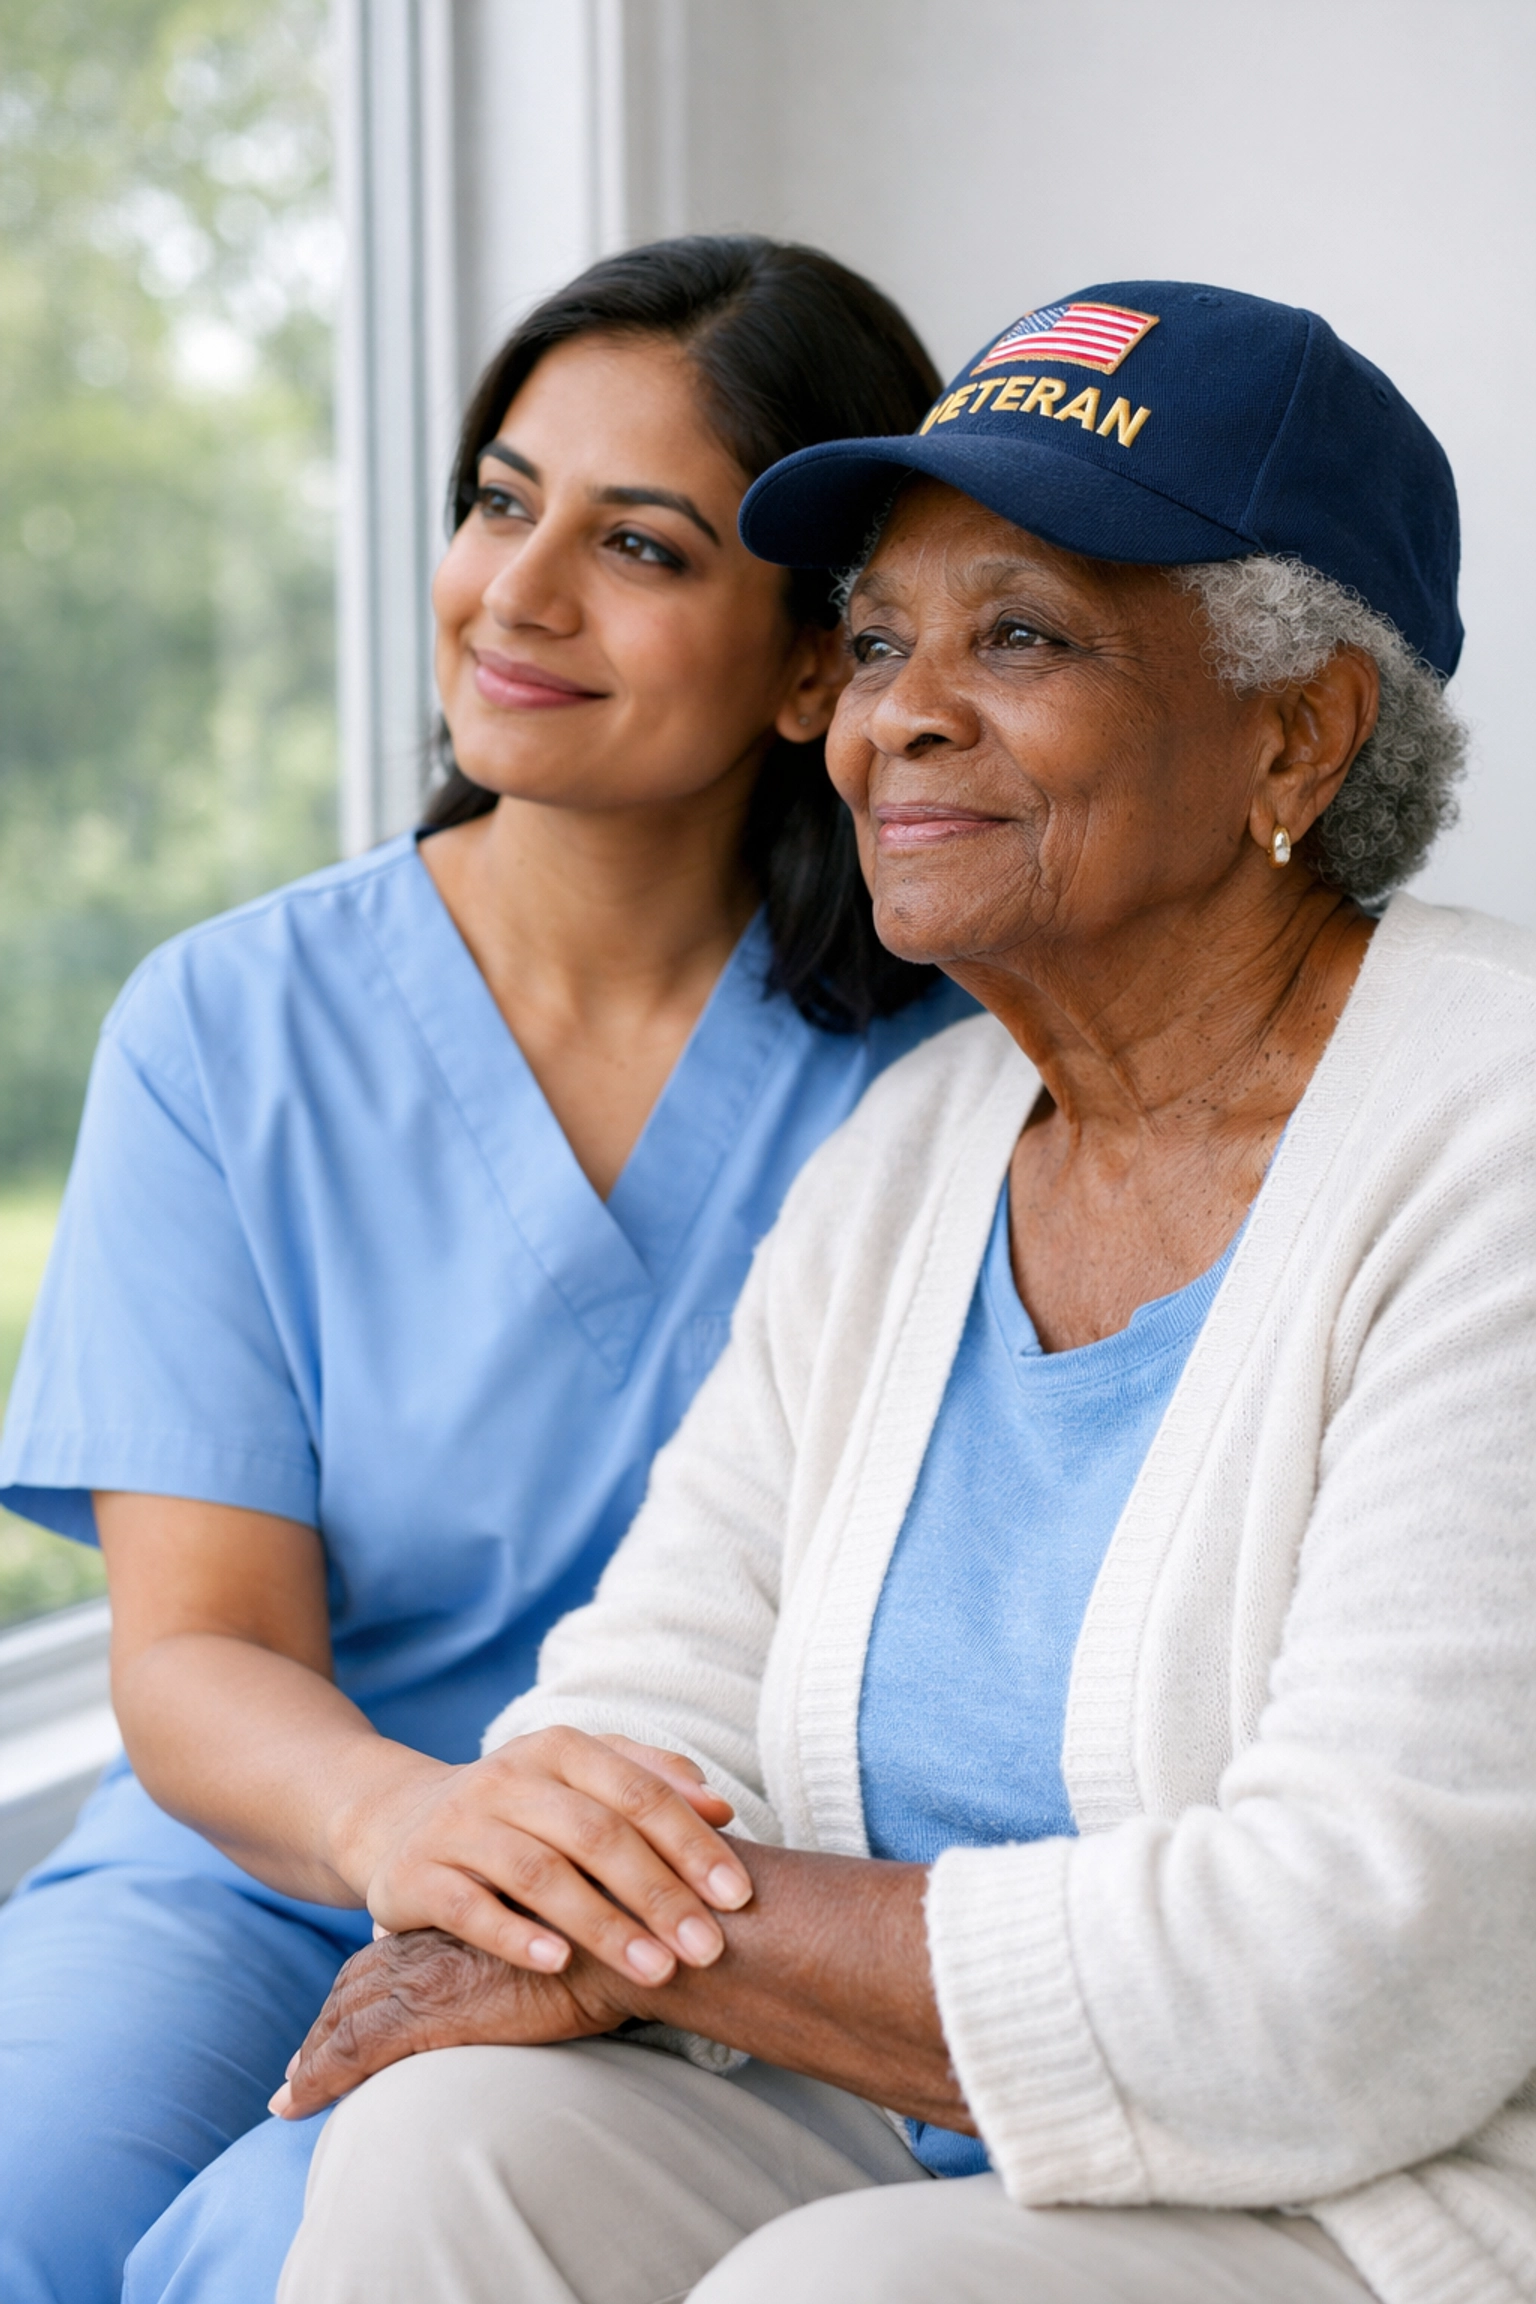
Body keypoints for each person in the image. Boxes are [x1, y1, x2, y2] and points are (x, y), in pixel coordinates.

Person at [249, 283, 1535, 2304]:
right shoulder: (917, 1152)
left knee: (841, 2293)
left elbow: (1345, 1975)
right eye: (872, 643)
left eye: (1018, 636)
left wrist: (674, 1917)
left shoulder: (1496, 1135)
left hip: (1362, 2193)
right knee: (450, 2147)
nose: (894, 717)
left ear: (1300, 729)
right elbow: (641, 1700)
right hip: (886, 2119)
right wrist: (570, 1875)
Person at [0, 233, 975, 2304]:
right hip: (264, 1863)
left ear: (819, 663)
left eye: (638, 543)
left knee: (282, 2254)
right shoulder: (229, 1028)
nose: (516, 595)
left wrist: (546, 1882)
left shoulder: (961, 1074)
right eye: (498, 501)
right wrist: (395, 1835)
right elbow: (195, 1654)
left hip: (680, 1913)